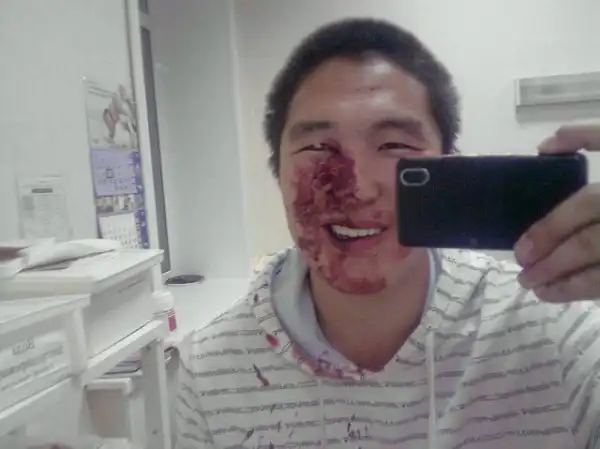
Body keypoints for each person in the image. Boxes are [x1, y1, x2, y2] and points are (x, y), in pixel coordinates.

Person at [175, 18, 600, 449]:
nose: (358, 188)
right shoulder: (209, 372)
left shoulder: (558, 332)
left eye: (395, 146)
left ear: (448, 165)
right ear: (277, 169)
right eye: (318, 147)